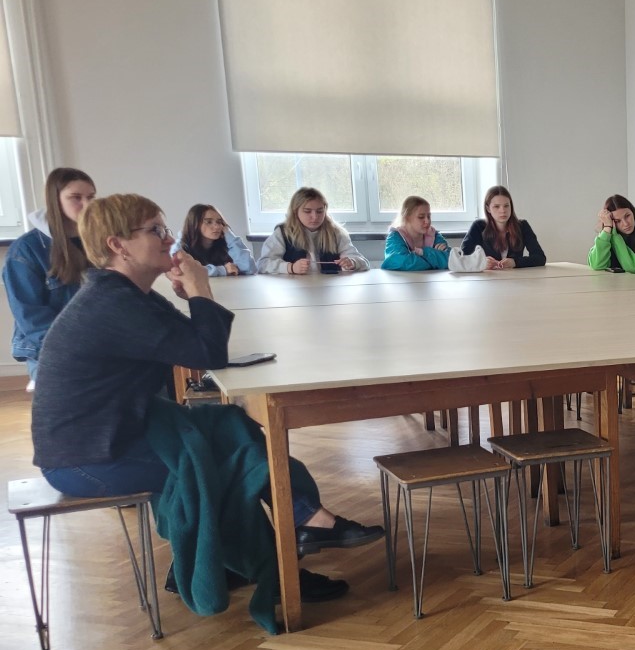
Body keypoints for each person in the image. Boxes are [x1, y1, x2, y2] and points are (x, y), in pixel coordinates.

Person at [31, 194, 384, 620]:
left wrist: (196, 297)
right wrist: (200, 291)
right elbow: (206, 352)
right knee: (225, 471)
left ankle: (302, 523)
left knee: (231, 425)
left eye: (165, 228)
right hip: (86, 457)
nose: (169, 239)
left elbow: (193, 345)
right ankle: (273, 572)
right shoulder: (114, 304)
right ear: (117, 245)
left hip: (119, 433)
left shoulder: (126, 295)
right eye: (156, 231)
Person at [3, 167, 96, 388]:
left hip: (97, 343)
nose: (87, 205)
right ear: (56, 200)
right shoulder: (26, 250)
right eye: (76, 197)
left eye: (91, 197)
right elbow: (32, 318)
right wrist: (77, 351)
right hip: (50, 349)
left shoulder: (99, 241)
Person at [257, 188, 370, 275]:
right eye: (307, 211)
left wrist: (352, 262)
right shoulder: (283, 232)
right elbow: (262, 264)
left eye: (320, 211)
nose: (315, 217)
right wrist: (290, 267)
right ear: (295, 212)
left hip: (330, 288)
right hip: (295, 289)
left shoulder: (336, 232)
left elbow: (364, 262)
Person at [461, 185, 547, 270]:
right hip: (487, 277)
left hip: (515, 277)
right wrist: (481, 262)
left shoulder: (523, 226)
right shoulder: (478, 227)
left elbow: (540, 258)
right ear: (488, 208)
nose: (503, 211)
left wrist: (515, 262)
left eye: (506, 206)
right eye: (496, 206)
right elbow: (462, 258)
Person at [588, 195, 635, 277]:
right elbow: (597, 265)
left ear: (633, 212)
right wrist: (607, 228)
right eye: (617, 221)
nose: (625, 224)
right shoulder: (609, 232)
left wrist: (616, 237)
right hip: (622, 281)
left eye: (627, 216)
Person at [173, 204, 256, 277]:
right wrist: (223, 270)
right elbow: (185, 270)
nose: (217, 226)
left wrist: (229, 235)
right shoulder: (182, 246)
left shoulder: (226, 245)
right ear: (194, 224)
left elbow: (249, 268)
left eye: (219, 222)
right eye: (209, 222)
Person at [380, 196, 450, 271]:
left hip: (430, 278)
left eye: (429, 216)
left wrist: (423, 252)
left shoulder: (434, 235)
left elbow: (452, 259)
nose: (427, 221)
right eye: (421, 217)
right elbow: (400, 262)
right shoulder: (395, 236)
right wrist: (435, 259)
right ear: (407, 217)